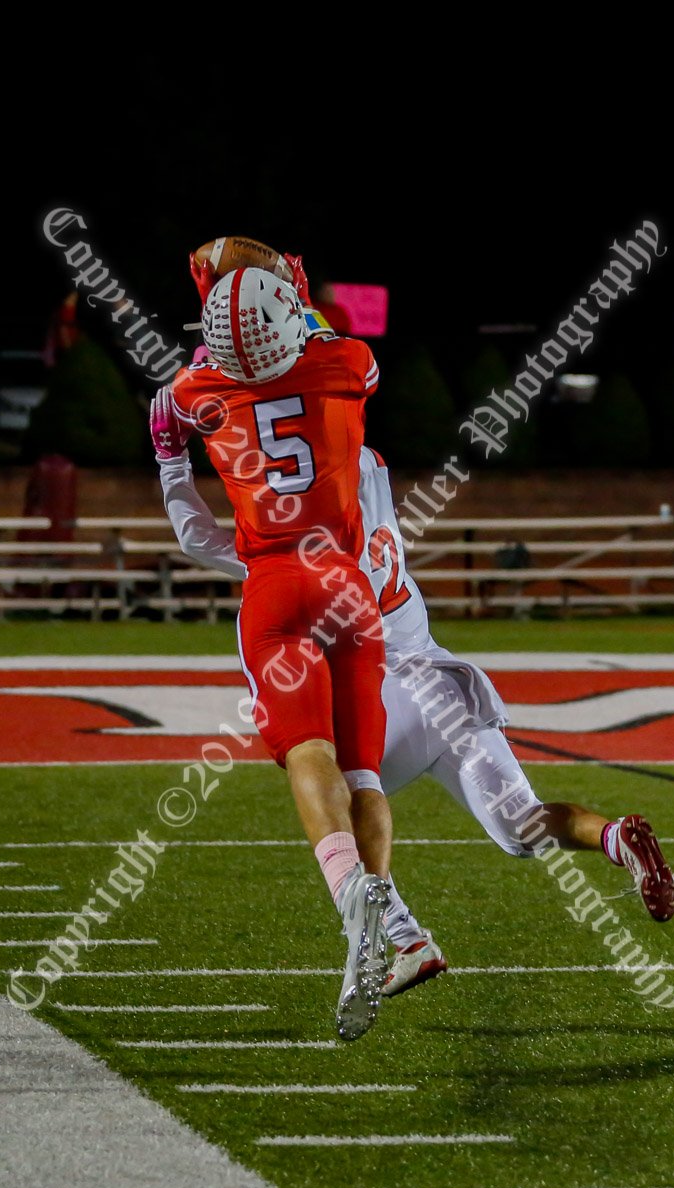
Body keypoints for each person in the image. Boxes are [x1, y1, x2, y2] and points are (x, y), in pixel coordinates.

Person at [153, 317, 674, 1003]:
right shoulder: (363, 463)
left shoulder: (292, 520)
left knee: (332, 802)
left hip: (390, 691)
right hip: (443, 682)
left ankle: (404, 938)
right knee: (521, 829)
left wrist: (172, 457)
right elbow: (323, 408)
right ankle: (613, 838)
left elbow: (200, 538)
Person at [153, 260, 392, 1042]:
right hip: (347, 586)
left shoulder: (195, 395)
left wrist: (167, 455)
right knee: (361, 770)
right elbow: (325, 341)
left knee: (306, 754)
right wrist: (290, 291)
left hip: (275, 585)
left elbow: (192, 524)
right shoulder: (345, 362)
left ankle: (348, 893)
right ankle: (379, 916)